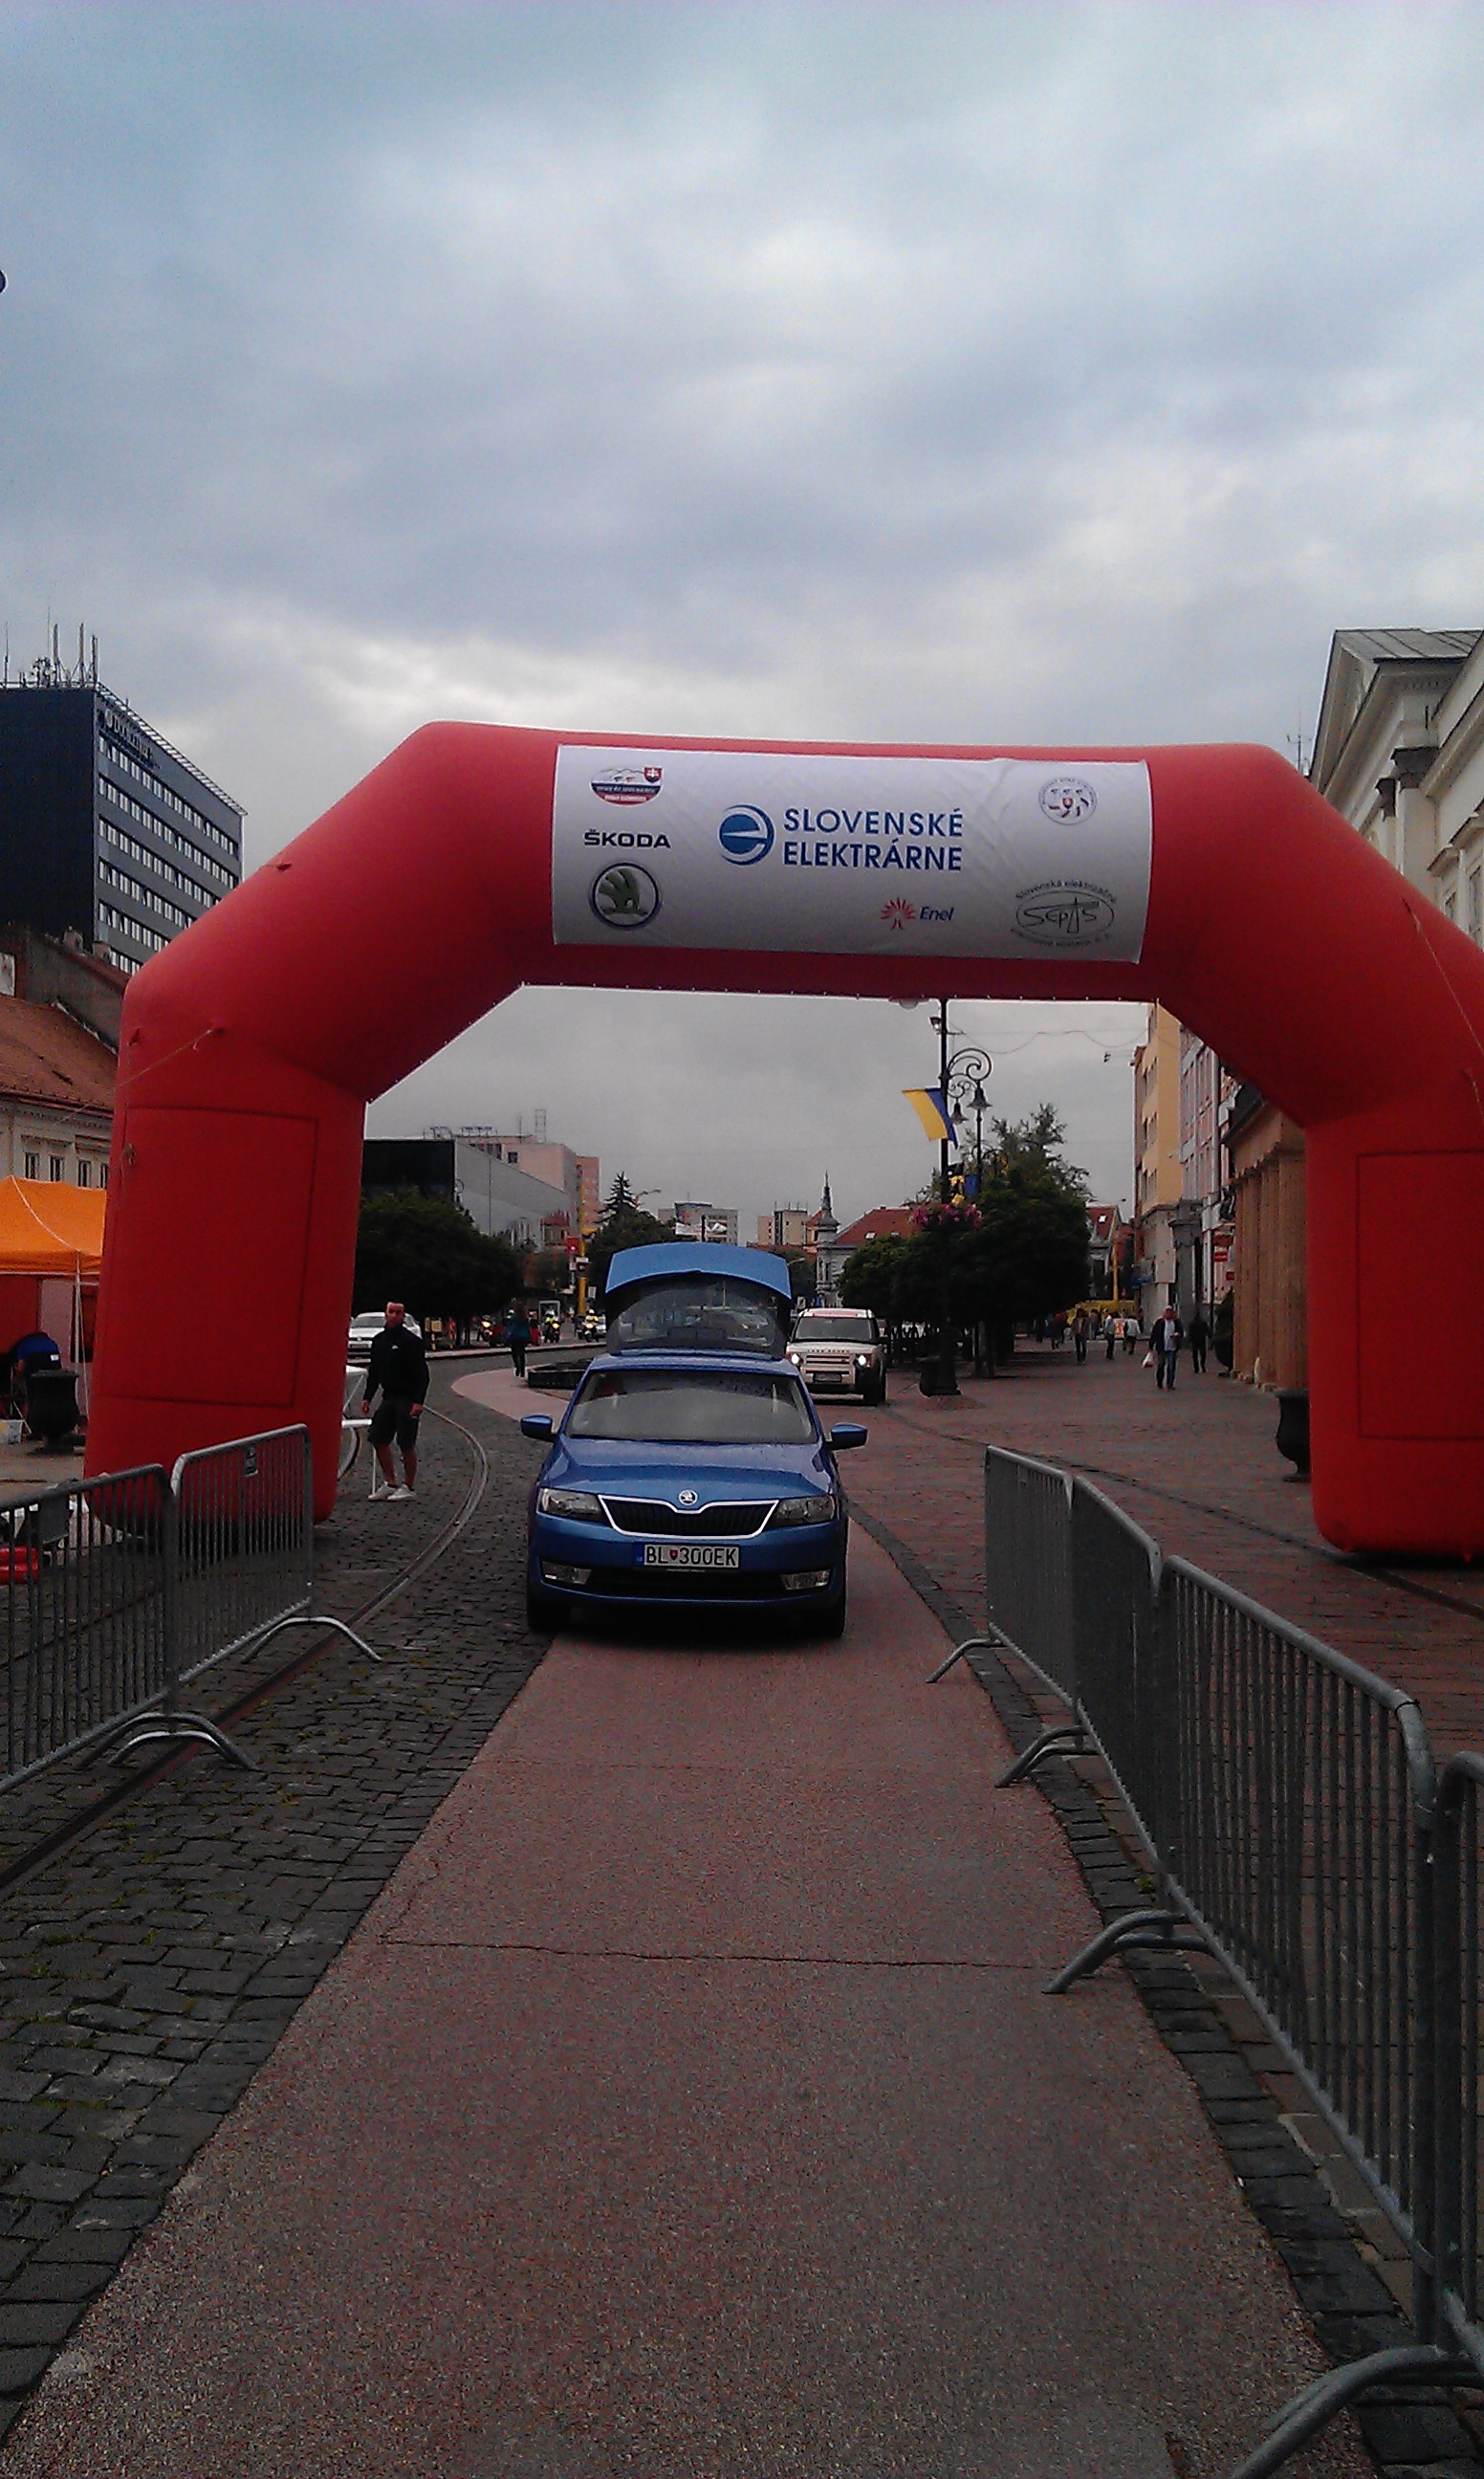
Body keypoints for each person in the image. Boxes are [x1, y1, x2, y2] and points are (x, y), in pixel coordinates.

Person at [361, 1302, 429, 1501]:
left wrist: (418, 1401)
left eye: (398, 1313)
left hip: (407, 1398)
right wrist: (367, 1396)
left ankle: (408, 1485)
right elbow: (374, 1371)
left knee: (406, 1443)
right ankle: (390, 1482)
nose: (394, 1316)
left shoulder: (411, 1342)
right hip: (389, 1397)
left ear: (403, 1316)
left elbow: (422, 1374)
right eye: (391, 1312)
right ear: (386, 1313)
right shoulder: (379, 1341)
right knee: (377, 1437)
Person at [1153, 1304, 1183, 1391]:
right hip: (1162, 1347)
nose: (1169, 1314)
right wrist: (1151, 1345)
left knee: (1171, 1366)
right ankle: (1159, 1382)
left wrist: (1177, 1335)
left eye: (1170, 1312)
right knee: (1161, 1365)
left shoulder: (1176, 1322)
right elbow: (1154, 1334)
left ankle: (1170, 1383)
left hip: (1172, 1348)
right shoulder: (1160, 1322)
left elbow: (1181, 1332)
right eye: (1167, 1312)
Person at [506, 1305, 534, 1379]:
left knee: (514, 1353)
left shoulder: (513, 1318)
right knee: (522, 1354)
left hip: (515, 1336)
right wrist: (529, 1336)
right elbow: (528, 1328)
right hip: (523, 1337)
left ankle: (517, 1366)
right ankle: (522, 1372)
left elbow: (510, 1327)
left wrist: (507, 1335)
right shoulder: (525, 1318)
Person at [1187, 1306, 1211, 1375]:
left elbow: (1190, 1332)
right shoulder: (1203, 1322)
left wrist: (1189, 1340)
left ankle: (1196, 1368)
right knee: (1203, 1354)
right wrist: (1209, 1336)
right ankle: (1202, 1365)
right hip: (1202, 1339)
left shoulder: (1192, 1323)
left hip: (1194, 1340)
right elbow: (1207, 1330)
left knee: (1195, 1354)